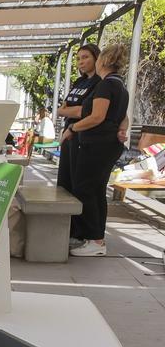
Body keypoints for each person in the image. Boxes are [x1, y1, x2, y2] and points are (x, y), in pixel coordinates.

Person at [62, 43, 131, 257]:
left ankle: (95, 239)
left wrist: (72, 128)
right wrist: (121, 129)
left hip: (98, 144)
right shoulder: (119, 85)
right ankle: (96, 237)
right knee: (97, 190)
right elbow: (121, 116)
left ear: (102, 61)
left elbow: (96, 117)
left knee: (84, 189)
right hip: (107, 144)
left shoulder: (105, 85)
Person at [55, 43, 101, 218]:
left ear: (96, 58)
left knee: (79, 183)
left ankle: (80, 225)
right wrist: (68, 111)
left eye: (85, 57)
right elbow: (62, 109)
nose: (81, 62)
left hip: (83, 136)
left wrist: (68, 111)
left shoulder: (99, 83)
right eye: (78, 58)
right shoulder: (79, 82)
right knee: (65, 180)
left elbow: (85, 111)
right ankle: (67, 223)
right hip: (69, 134)